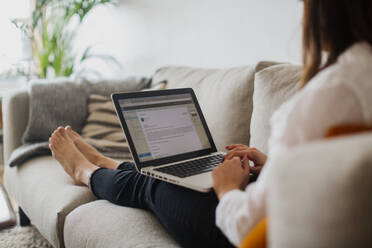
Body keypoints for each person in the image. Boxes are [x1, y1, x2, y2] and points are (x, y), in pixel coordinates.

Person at [49, 0, 372, 247]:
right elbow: (335, 173)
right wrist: (275, 164)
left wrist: (228, 187)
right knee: (160, 173)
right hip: (286, 202)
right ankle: (111, 163)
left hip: (251, 233)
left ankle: (86, 172)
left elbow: (246, 227)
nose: (303, 18)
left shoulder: (331, 91)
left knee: (154, 183)